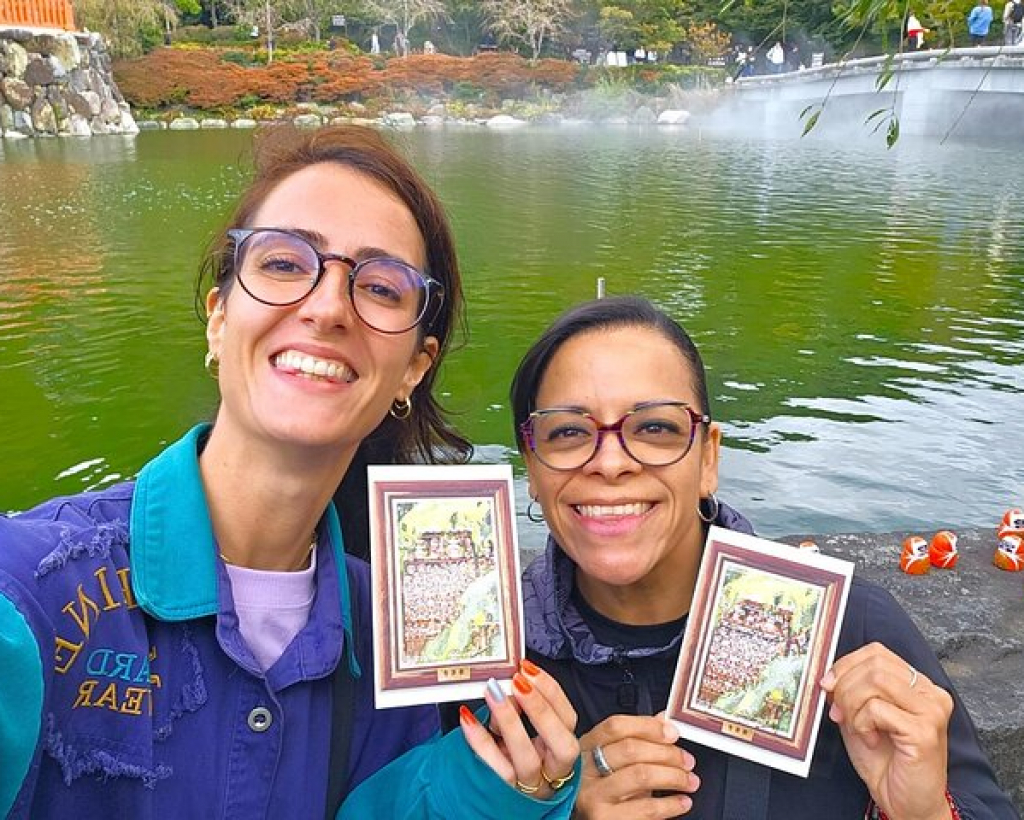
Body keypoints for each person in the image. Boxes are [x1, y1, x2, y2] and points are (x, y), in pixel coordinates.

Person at [0, 125, 580, 819]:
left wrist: (503, 793)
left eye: (381, 286)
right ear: (219, 318)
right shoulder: (31, 593)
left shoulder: (409, 643)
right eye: (283, 263)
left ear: (414, 370)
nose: (328, 307)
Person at [510, 296, 1019, 820]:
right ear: (532, 465)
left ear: (708, 456)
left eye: (655, 428)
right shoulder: (498, 661)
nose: (610, 462)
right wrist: (547, 812)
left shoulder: (851, 630)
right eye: (568, 431)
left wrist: (927, 813)